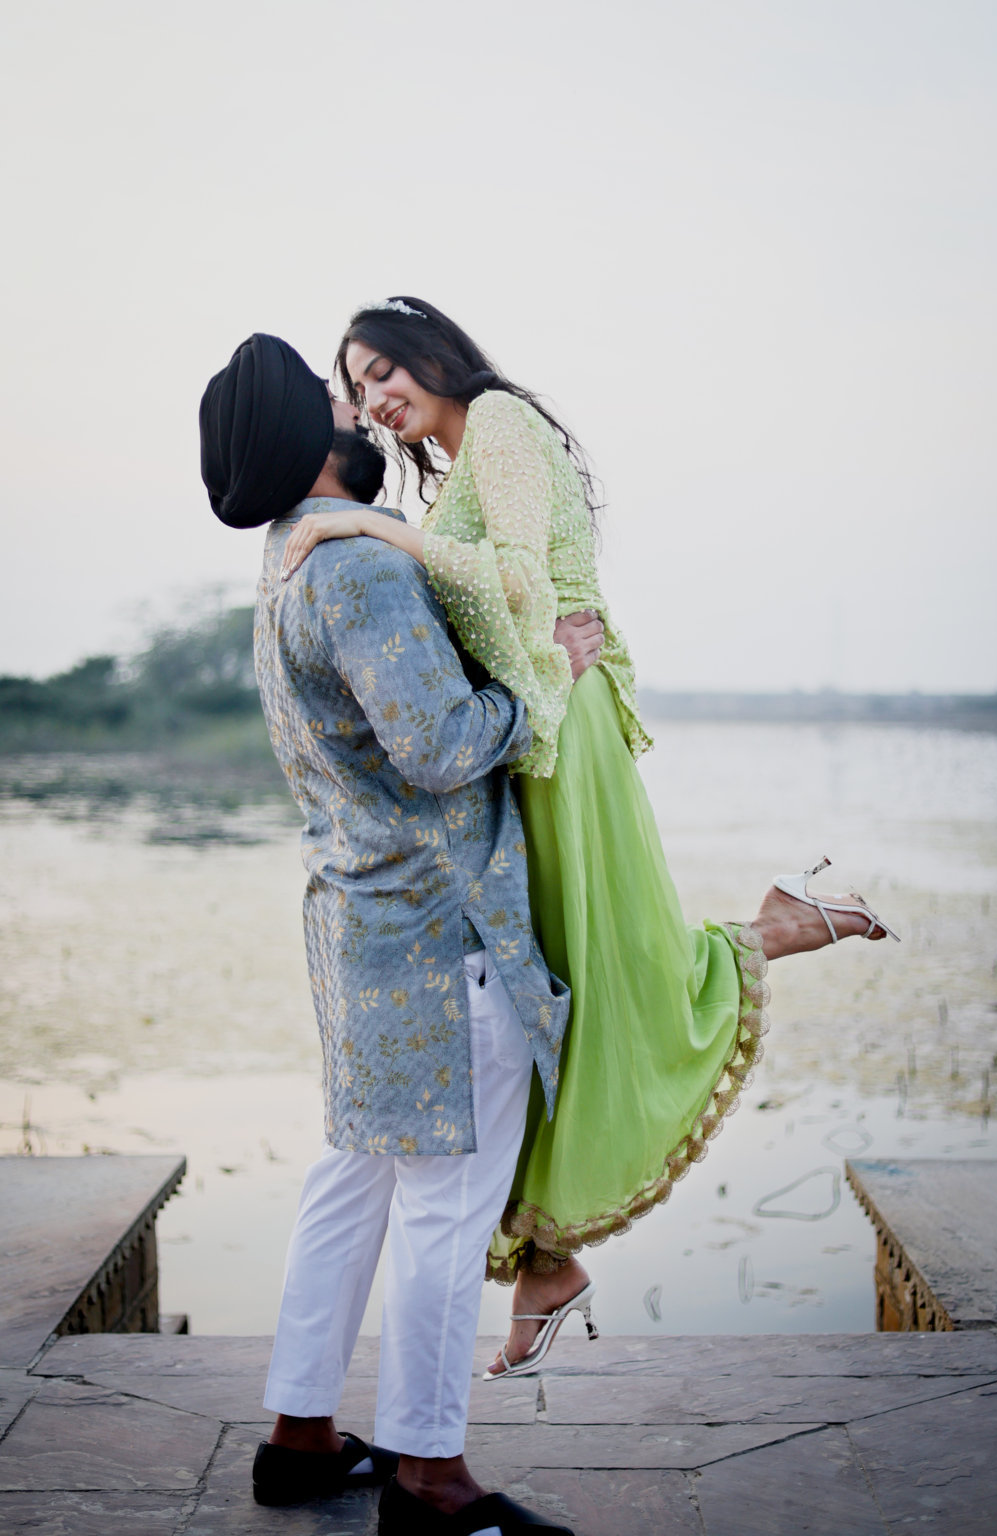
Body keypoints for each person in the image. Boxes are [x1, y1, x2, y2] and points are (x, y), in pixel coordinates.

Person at [278, 296, 900, 1381]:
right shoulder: (455, 462)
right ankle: (548, 1263)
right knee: (551, 996)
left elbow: (518, 583)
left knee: (609, 978)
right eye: (359, 383)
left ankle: (780, 928)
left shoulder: (503, 425)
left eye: (383, 371)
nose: (377, 398)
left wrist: (366, 524)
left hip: (570, 731)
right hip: (531, 733)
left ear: (433, 356)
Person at [199, 331, 596, 1534]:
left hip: (355, 926)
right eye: (339, 402)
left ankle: (301, 1432)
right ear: (307, 441)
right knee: (443, 1201)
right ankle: (430, 1476)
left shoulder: (286, 561)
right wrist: (551, 678)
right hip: (435, 936)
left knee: (355, 1179)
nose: (364, 417)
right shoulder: (361, 575)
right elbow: (440, 749)